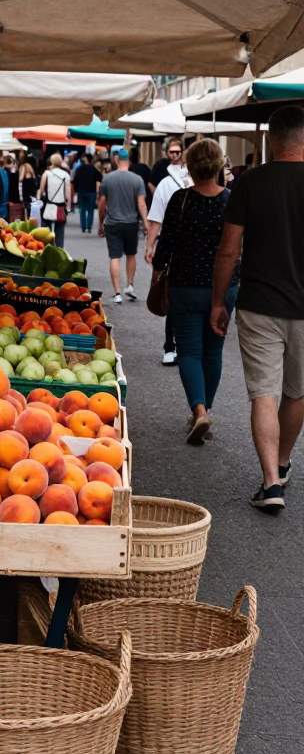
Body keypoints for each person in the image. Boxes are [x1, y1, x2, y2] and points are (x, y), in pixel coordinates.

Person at [211, 105, 304, 513]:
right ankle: (282, 463)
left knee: (264, 393)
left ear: (270, 139)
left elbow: (229, 249)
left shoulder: (250, 183)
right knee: (297, 392)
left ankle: (270, 484)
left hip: (259, 303)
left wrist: (218, 301)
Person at [151, 139, 237, 445]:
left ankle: (198, 409)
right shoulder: (231, 200)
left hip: (185, 286)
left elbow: (166, 245)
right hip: (223, 288)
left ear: (189, 165)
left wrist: (156, 275)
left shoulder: (181, 200)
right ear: (218, 166)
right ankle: (205, 410)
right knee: (213, 351)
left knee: (188, 351)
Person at [145, 150, 192, 365]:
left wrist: (151, 249)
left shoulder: (167, 186)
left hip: (177, 256)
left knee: (174, 299)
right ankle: (178, 346)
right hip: (200, 262)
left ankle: (171, 346)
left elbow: (158, 223)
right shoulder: (221, 194)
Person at [98, 147, 148, 303]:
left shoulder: (107, 179)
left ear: (116, 159)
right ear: (129, 160)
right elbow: (141, 203)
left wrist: (101, 223)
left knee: (115, 256)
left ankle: (118, 293)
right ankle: (130, 286)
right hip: (132, 223)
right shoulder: (137, 179)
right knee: (131, 254)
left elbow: (101, 203)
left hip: (112, 223)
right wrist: (146, 223)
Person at [39, 153, 71, 247]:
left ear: (51, 162)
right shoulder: (66, 175)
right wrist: (68, 206)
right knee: (60, 232)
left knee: (46, 232)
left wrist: (39, 199)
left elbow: (41, 191)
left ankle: (47, 250)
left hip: (48, 205)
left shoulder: (46, 174)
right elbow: (68, 194)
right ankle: (59, 252)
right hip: (60, 207)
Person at [73, 154, 102, 234]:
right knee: (90, 210)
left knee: (82, 209)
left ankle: (83, 227)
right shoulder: (94, 169)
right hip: (91, 192)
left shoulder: (79, 169)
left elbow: (74, 181)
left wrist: (76, 190)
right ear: (91, 160)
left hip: (81, 191)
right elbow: (100, 178)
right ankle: (88, 227)